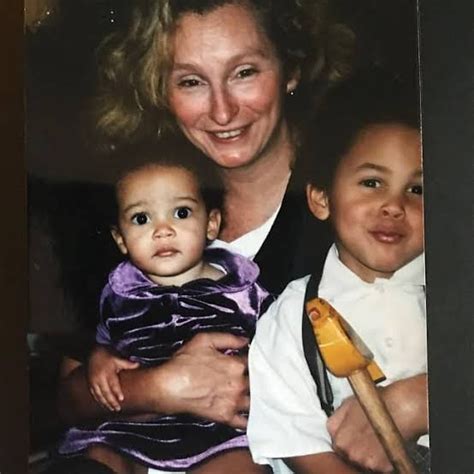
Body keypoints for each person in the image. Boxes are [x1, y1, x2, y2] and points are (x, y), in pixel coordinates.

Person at [54, 2, 427, 473]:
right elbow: (67, 401)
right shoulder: (139, 202)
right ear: (159, 88)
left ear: (291, 69)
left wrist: (422, 397)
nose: (222, 110)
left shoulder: (357, 207)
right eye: (191, 81)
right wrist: (157, 388)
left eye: (244, 72)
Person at [247, 74, 429, 473]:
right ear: (321, 198)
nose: (394, 206)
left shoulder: (453, 297)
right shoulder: (295, 314)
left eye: (417, 190)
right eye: (372, 183)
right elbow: (295, 440)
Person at [56, 140, 272, 473]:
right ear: (120, 239)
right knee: (96, 457)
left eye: (181, 213)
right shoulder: (117, 292)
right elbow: (100, 343)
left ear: (211, 223)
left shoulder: (242, 289)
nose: (163, 230)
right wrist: (98, 359)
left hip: (219, 432)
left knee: (243, 465)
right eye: (142, 218)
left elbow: (279, 346)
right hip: (128, 430)